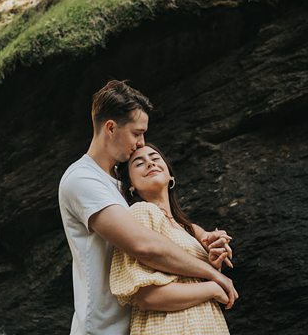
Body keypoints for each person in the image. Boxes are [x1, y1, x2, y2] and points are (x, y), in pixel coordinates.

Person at [58, 80, 238, 335]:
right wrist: (212, 275)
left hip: (139, 324)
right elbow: (144, 245)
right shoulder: (83, 179)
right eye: (136, 133)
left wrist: (200, 236)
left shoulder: (118, 186)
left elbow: (162, 219)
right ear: (110, 128)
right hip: (103, 329)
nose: (141, 143)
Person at [111, 143, 231, 334]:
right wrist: (213, 288)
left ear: (170, 175)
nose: (150, 164)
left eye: (155, 158)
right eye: (139, 163)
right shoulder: (141, 212)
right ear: (131, 185)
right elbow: (147, 297)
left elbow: (188, 279)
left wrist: (214, 262)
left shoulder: (184, 227)